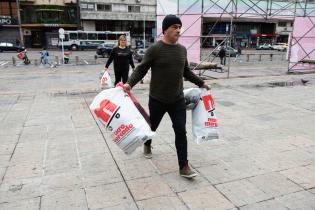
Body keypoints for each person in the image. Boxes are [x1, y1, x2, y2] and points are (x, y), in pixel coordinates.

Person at [122, 14, 210, 178]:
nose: (178, 30)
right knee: (152, 127)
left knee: (180, 131)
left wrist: (201, 83)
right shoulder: (155, 49)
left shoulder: (182, 50)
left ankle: (183, 166)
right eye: (174, 27)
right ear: (165, 30)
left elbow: (186, 72)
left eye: (179, 27)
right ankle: (147, 144)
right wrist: (129, 84)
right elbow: (141, 69)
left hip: (177, 99)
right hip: (157, 99)